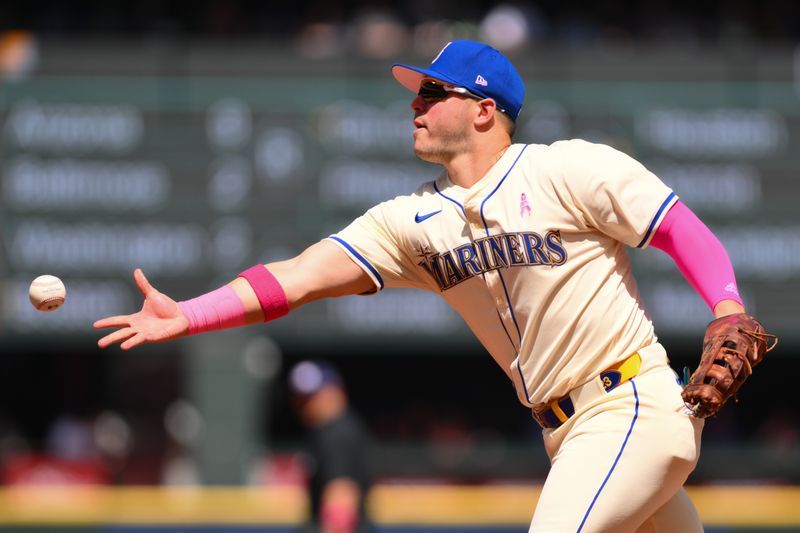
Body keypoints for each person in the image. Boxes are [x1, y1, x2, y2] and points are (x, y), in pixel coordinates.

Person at [95, 40, 770, 531]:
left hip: (631, 408)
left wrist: (728, 304)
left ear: (483, 109)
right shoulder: (410, 221)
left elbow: (681, 227)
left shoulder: (567, 170)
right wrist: (189, 313)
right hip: (568, 435)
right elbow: (295, 278)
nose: (414, 104)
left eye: (431, 92)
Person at [287, 360, 374, 533]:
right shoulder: (331, 429)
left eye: (312, 396)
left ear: (334, 391)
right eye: (300, 397)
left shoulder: (336, 433)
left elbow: (342, 498)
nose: (305, 404)